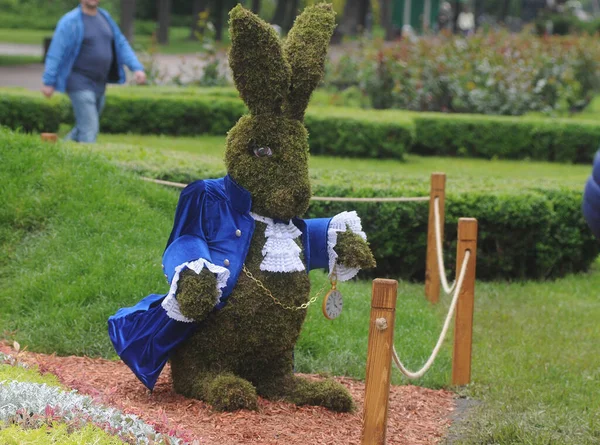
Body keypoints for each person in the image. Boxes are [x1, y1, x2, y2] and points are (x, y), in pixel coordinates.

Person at [41, 0, 147, 143]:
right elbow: (56, 52)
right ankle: (88, 163)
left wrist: (136, 68)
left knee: (84, 126)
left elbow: (121, 44)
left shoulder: (105, 17)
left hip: (99, 84)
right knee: (90, 128)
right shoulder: (70, 21)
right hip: (78, 81)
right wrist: (49, 81)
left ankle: (56, 150)